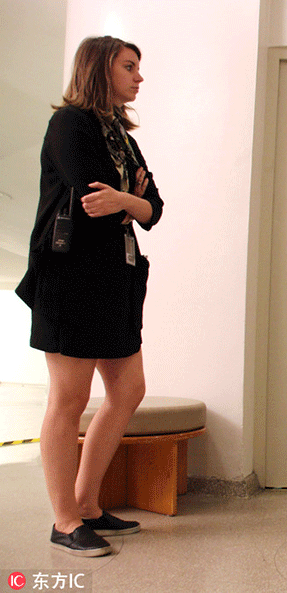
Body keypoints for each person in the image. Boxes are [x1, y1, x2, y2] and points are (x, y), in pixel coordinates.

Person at [15, 36, 164, 556]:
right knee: (70, 398)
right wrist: (131, 198)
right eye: (129, 67)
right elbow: (90, 195)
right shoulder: (71, 124)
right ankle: (63, 521)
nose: (138, 77)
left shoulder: (119, 134)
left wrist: (131, 201)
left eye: (138, 68)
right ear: (99, 68)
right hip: (69, 278)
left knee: (128, 390)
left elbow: (156, 208)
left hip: (114, 279)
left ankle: (87, 502)